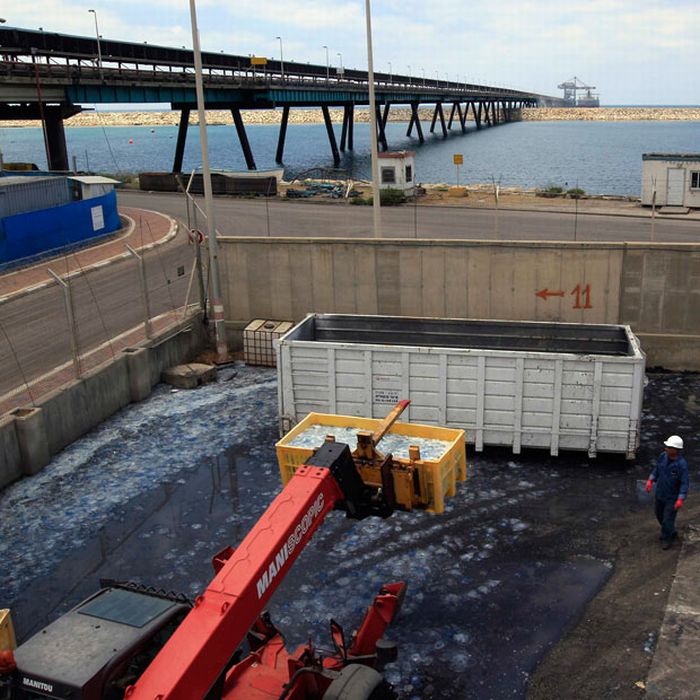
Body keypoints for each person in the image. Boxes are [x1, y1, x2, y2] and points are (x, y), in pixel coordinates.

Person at [646, 435, 689, 550]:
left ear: (676, 450)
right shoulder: (663, 457)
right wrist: (651, 479)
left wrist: (680, 498)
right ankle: (671, 531)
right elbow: (657, 469)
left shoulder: (681, 465)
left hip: (672, 498)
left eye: (669, 447)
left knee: (667, 519)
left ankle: (667, 538)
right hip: (660, 494)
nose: (666, 449)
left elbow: (684, 483)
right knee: (659, 515)